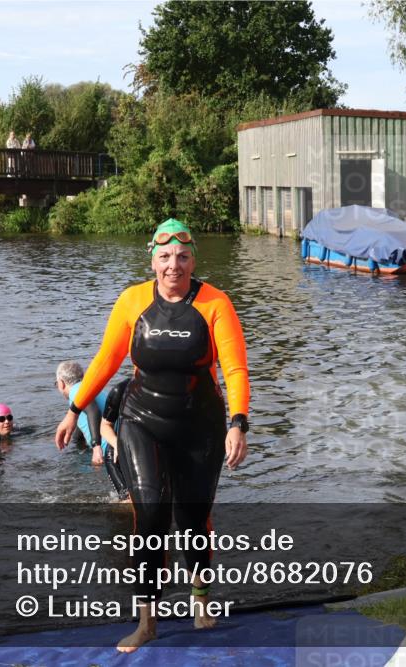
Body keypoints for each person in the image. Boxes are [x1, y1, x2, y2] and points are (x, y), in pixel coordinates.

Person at [54, 218, 250, 652]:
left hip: (200, 424)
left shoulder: (215, 303)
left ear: (193, 259)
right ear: (153, 260)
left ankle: (200, 599)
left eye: (182, 257)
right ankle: (147, 622)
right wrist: (72, 411)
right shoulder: (133, 301)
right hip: (142, 420)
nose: (173, 266)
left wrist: (237, 422)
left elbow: (234, 369)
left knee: (193, 520)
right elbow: (106, 359)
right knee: (151, 516)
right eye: (164, 257)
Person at [54, 361, 129, 500]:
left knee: (125, 496)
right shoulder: (88, 389)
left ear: (61, 383)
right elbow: (81, 425)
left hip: (112, 449)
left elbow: (92, 410)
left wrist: (96, 447)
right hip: (123, 439)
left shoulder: (77, 391)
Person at [99, 378, 132, 503]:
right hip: (117, 453)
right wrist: (116, 444)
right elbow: (105, 426)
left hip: (151, 451)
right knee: (129, 501)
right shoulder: (122, 390)